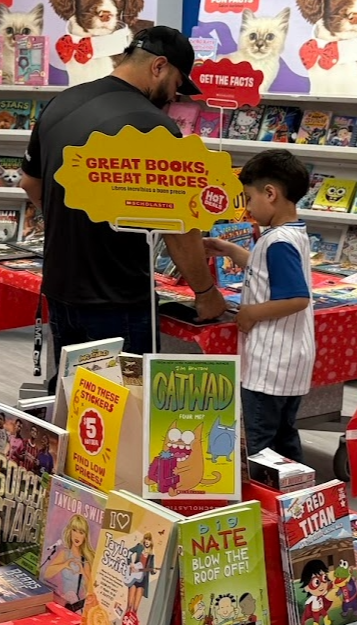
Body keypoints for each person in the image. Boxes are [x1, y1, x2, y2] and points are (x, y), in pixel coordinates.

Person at [20, 26, 226, 391]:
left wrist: (73, 221)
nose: (176, 94)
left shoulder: (61, 102)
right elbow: (178, 226)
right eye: (178, 82)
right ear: (159, 66)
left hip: (61, 285)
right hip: (118, 295)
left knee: (73, 398)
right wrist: (205, 292)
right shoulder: (154, 127)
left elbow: (30, 183)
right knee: (125, 412)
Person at [205, 150, 314, 461]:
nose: (248, 208)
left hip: (271, 362)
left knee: (259, 441)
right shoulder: (290, 234)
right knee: (283, 436)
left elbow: (296, 298)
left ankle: (260, 500)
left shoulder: (278, 241)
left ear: (270, 193)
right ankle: (294, 493)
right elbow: (267, 273)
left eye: (248, 199)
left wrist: (250, 313)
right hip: (290, 361)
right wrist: (229, 250)